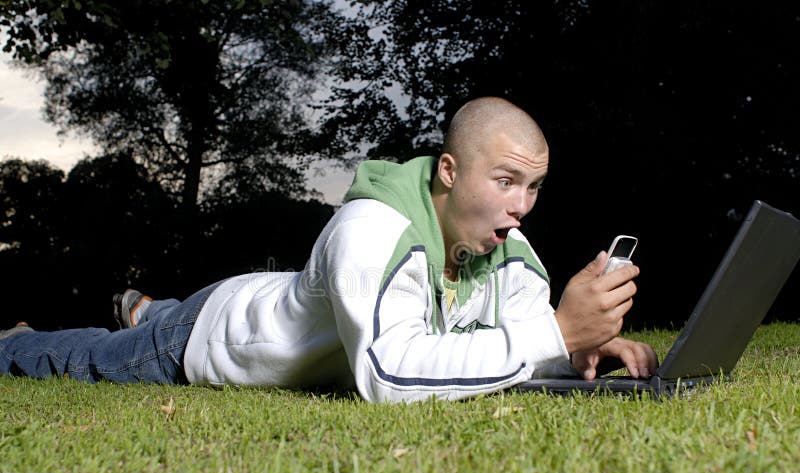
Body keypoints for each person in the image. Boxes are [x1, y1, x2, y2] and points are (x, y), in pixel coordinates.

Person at [0, 97, 657, 403]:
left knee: (169, 312)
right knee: (75, 356)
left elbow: (513, 346)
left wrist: (573, 351)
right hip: (210, 337)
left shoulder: (509, 245)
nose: (522, 206)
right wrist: (555, 327)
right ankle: (20, 336)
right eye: (507, 181)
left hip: (274, 303)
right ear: (450, 172)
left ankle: (146, 304)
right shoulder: (371, 231)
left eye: (535, 187)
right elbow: (391, 375)